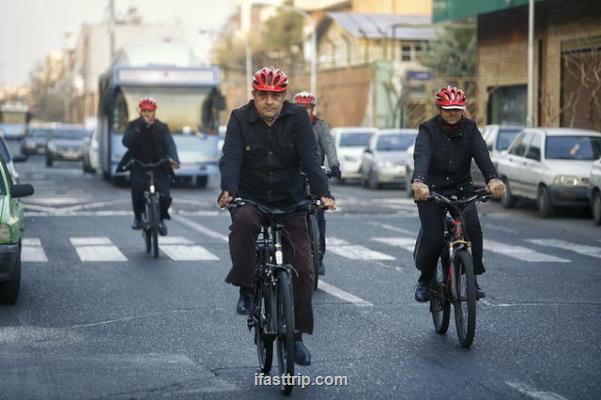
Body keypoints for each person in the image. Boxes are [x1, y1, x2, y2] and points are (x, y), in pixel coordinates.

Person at [218, 67, 336, 366]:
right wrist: (229, 190)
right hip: (251, 197)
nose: (269, 101)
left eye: (276, 95)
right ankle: (246, 287)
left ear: (284, 96)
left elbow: (310, 157)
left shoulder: (297, 118)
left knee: (304, 268)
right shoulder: (239, 118)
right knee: (243, 224)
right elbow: (231, 158)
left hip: (291, 199)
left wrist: (323, 192)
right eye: (263, 95)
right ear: (254, 95)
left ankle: (295, 338)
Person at [410, 86, 506, 303]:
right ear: (439, 109)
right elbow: (422, 156)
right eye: (447, 109)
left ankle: (472, 279)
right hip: (431, 191)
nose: (453, 113)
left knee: (473, 229)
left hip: (462, 189)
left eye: (457, 109)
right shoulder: (428, 130)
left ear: (463, 109)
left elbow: (482, 155)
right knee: (434, 239)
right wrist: (419, 182)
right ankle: (425, 280)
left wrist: (493, 178)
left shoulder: (471, 129)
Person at [292, 91, 340, 275]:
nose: (305, 112)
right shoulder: (288, 125)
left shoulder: (320, 126)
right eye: (301, 109)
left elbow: (329, 145)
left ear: (313, 109)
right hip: (292, 172)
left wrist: (334, 165)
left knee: (319, 215)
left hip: (315, 172)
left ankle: (318, 257)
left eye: (308, 108)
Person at [121, 97, 179, 236]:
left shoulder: (162, 127)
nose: (146, 113)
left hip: (159, 165)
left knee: (165, 194)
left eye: (149, 111)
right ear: (140, 112)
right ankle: (138, 218)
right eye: (144, 110)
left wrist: (174, 160)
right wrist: (140, 127)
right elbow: (126, 142)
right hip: (140, 164)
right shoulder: (134, 125)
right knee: (136, 188)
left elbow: (170, 144)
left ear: (154, 112)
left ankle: (160, 219)